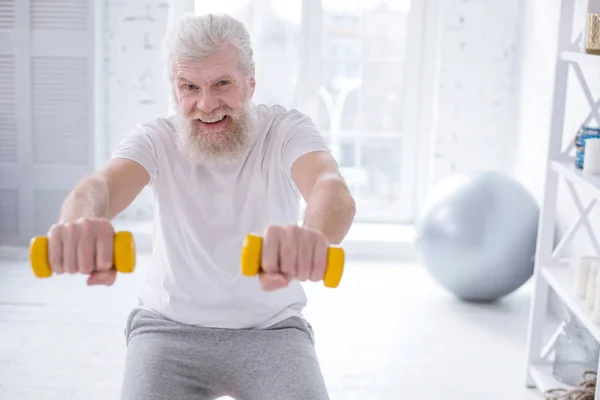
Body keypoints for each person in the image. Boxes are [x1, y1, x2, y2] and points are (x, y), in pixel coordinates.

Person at [47, 13, 356, 400]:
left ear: (250, 82)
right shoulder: (156, 138)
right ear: (175, 91)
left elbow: (331, 188)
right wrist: (79, 224)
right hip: (167, 330)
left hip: (272, 330)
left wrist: (312, 237)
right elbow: (99, 188)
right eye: (189, 86)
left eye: (222, 84)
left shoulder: (286, 131)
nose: (206, 104)